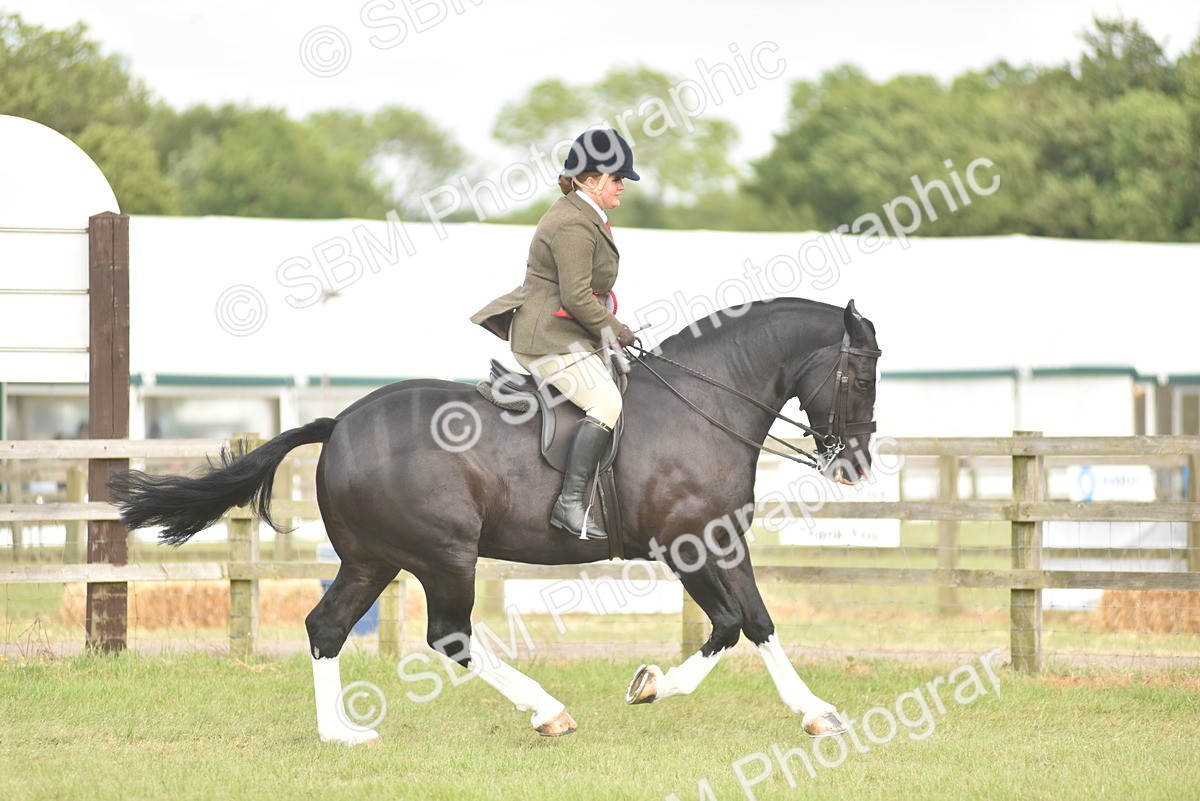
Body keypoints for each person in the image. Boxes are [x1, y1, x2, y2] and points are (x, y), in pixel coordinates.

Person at [471, 128, 639, 541]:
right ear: (589, 179)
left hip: (567, 333)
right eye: (616, 178)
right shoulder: (572, 223)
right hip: (546, 337)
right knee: (605, 402)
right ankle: (570, 503)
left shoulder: (585, 215)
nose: (622, 186)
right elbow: (578, 296)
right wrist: (615, 330)